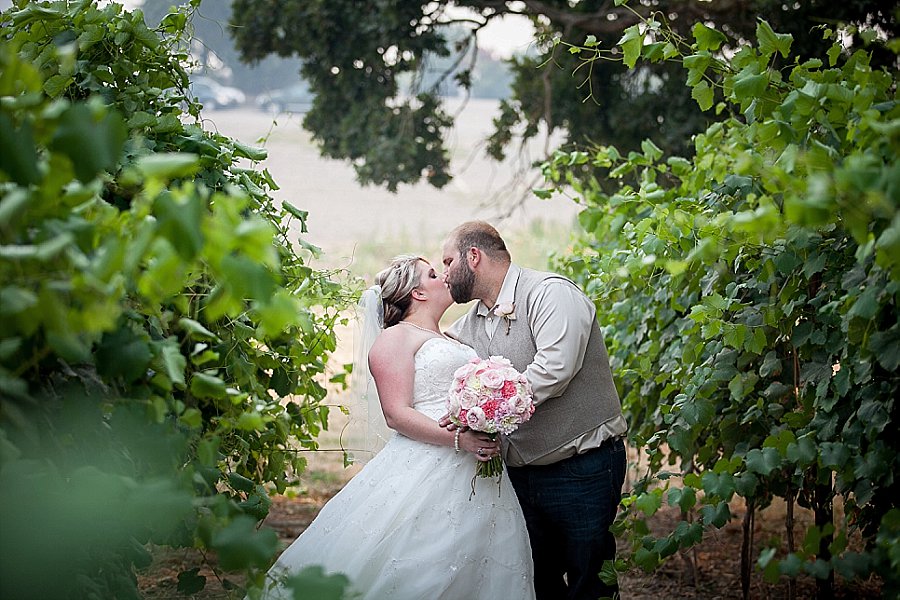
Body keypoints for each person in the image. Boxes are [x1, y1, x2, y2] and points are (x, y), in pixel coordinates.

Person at [260, 254, 536, 600]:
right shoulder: (395, 339)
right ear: (417, 293)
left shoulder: (453, 339)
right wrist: (460, 439)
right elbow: (397, 414)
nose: (445, 277)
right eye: (433, 274)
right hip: (427, 465)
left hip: (478, 471)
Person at [440, 221, 628, 600]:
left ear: (473, 257)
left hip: (582, 466)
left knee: (588, 580)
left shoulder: (551, 294)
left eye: (447, 262)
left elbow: (555, 369)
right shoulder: (469, 323)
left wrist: (485, 407)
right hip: (515, 477)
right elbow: (438, 354)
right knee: (534, 580)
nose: (444, 275)